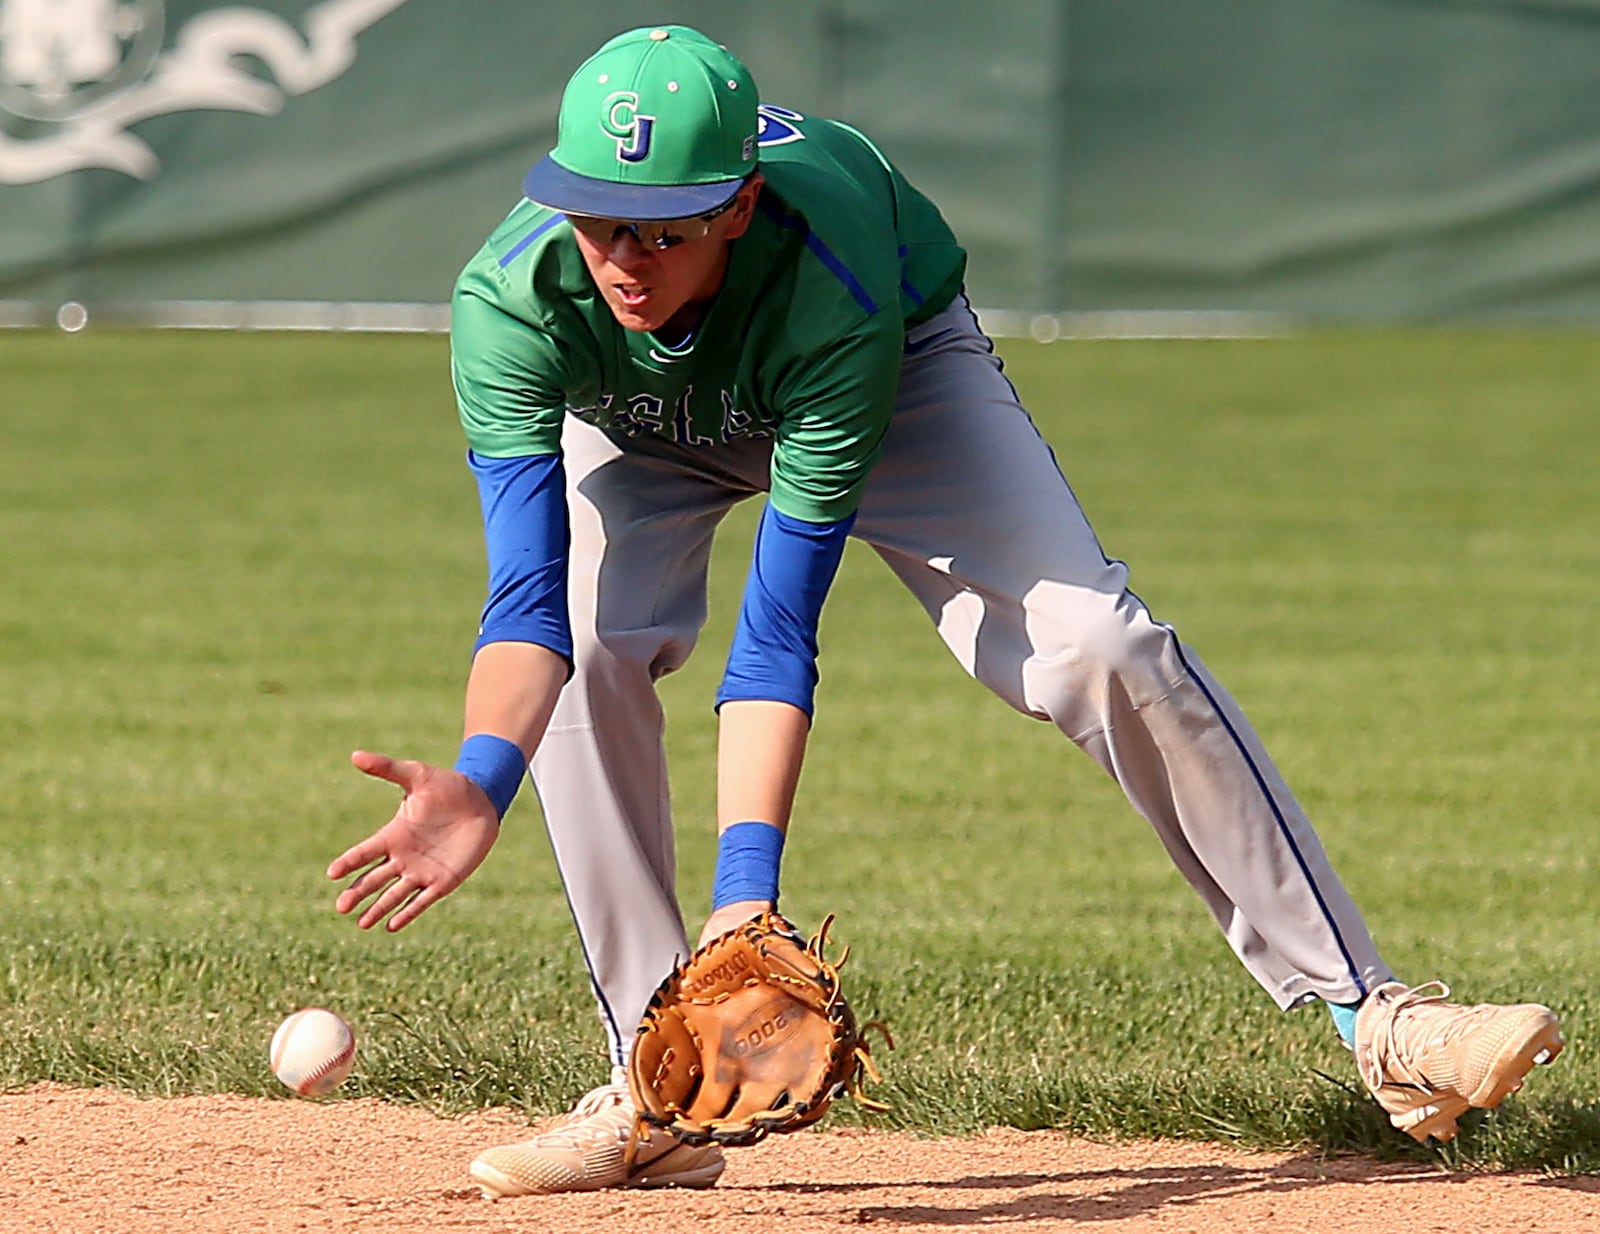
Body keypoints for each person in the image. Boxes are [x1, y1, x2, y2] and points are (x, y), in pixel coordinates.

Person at [326, 24, 1564, 1199]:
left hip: (889, 368)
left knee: (1101, 644)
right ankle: (662, 1095)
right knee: (592, 647)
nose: (623, 256)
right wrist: (483, 778)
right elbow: (528, 602)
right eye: (599, 218)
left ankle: (1381, 1021)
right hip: (644, 424)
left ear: (739, 206)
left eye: (663, 227)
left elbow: (778, 626)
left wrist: (747, 896)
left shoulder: (829, 267)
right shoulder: (515, 298)